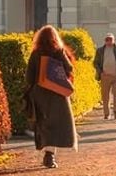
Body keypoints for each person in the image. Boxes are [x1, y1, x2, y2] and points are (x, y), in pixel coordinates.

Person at [24, 26, 77, 168]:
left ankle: (47, 152)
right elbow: (69, 68)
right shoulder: (58, 52)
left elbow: (29, 76)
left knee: (44, 124)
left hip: (39, 93)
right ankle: (50, 155)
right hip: (57, 93)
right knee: (57, 124)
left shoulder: (36, 53)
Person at [93, 33, 116, 120]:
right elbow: (95, 63)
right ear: (105, 41)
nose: (109, 41)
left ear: (113, 40)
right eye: (107, 39)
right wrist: (100, 72)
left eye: (110, 39)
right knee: (105, 96)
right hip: (105, 76)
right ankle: (106, 113)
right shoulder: (100, 51)